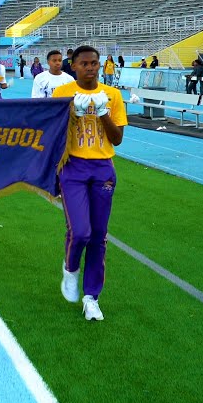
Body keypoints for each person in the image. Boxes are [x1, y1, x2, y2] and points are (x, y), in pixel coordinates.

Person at [52, 46, 127, 322]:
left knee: (99, 235)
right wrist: (73, 111)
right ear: (74, 66)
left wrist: (103, 112)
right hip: (72, 167)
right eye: (84, 63)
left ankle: (91, 296)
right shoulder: (62, 94)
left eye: (94, 63)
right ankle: (70, 269)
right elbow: (52, 133)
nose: (91, 68)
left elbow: (117, 139)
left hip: (103, 168)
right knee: (80, 231)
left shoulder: (113, 95)